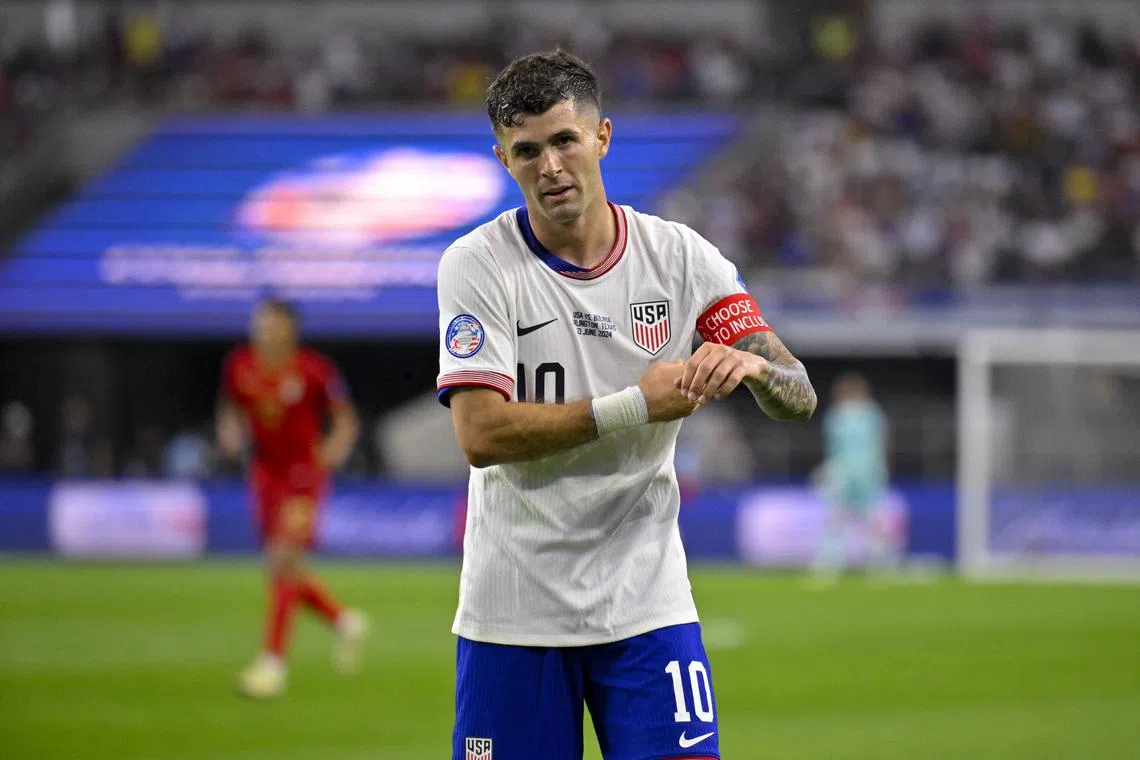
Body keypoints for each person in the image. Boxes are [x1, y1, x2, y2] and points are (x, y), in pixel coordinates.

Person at [436, 50, 817, 760]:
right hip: (514, 611)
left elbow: (798, 392)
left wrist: (755, 370)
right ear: (502, 159)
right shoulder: (477, 265)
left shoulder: (680, 259)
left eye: (563, 141)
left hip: (648, 605)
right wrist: (633, 406)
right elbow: (480, 433)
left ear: (601, 137)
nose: (549, 166)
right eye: (526, 151)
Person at [216, 298, 366, 699]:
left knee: (284, 559)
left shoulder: (314, 370)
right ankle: (343, 620)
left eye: (271, 324)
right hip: (265, 476)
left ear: (289, 330)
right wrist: (230, 432)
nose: (263, 330)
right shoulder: (240, 366)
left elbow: (346, 420)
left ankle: (272, 667)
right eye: (259, 323)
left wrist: (332, 453)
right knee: (281, 569)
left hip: (303, 476)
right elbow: (230, 408)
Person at [810, 372, 895, 583]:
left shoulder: (871, 415)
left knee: (874, 521)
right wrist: (831, 470)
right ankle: (829, 565)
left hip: (867, 474)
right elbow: (833, 448)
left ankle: (879, 565)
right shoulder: (835, 416)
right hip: (844, 474)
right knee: (836, 520)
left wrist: (879, 470)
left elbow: (878, 446)